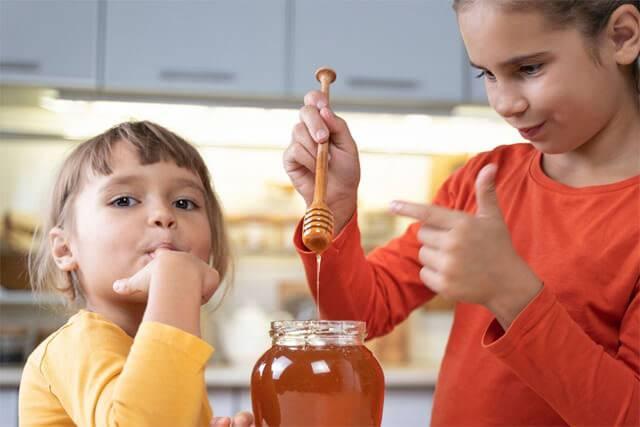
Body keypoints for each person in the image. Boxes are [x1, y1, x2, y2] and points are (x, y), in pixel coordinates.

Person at [284, 1, 640, 425]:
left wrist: (512, 295)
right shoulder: (484, 179)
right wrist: (336, 206)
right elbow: (359, 317)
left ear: (622, 36)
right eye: (486, 74)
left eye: (528, 69)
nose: (505, 103)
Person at [19, 121, 254, 427]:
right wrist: (175, 279)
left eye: (184, 202)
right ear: (65, 249)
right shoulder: (77, 346)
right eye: (124, 201)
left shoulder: (165, 355)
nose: (164, 215)